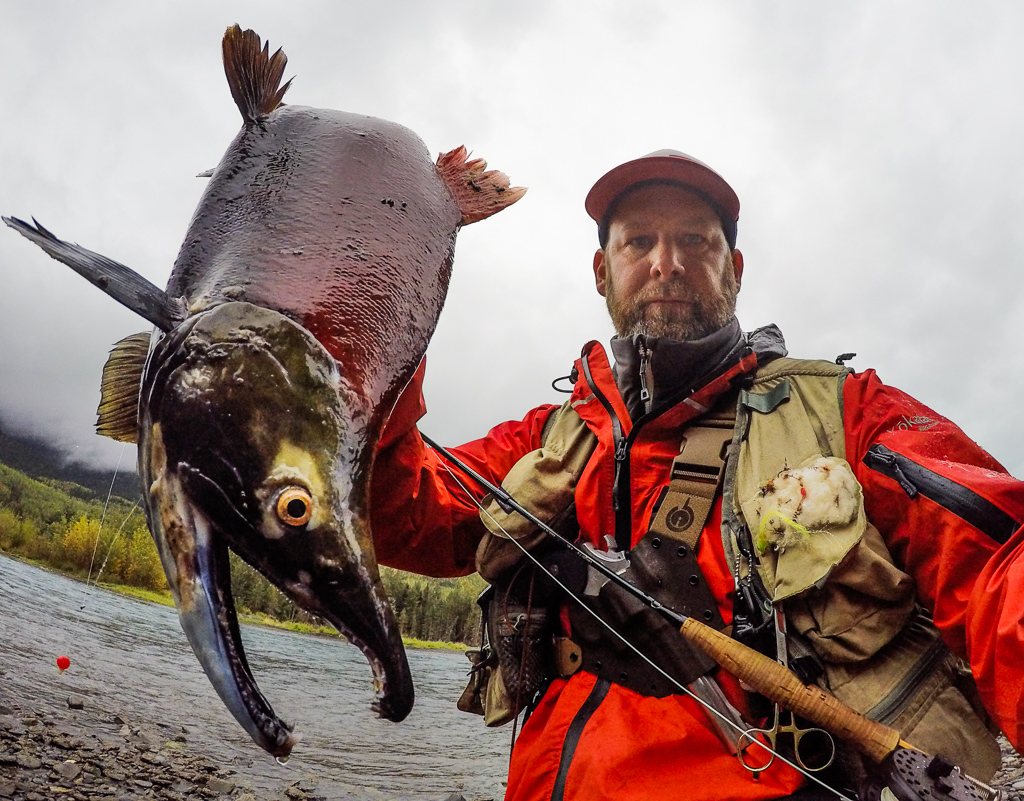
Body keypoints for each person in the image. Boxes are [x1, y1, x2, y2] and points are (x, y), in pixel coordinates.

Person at [368, 151, 1024, 800]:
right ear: (602, 271)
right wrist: (387, 293)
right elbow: (403, 518)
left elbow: (999, 568)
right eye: (639, 242)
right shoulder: (548, 434)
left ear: (733, 269)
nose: (666, 262)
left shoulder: (850, 412)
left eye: (694, 241)